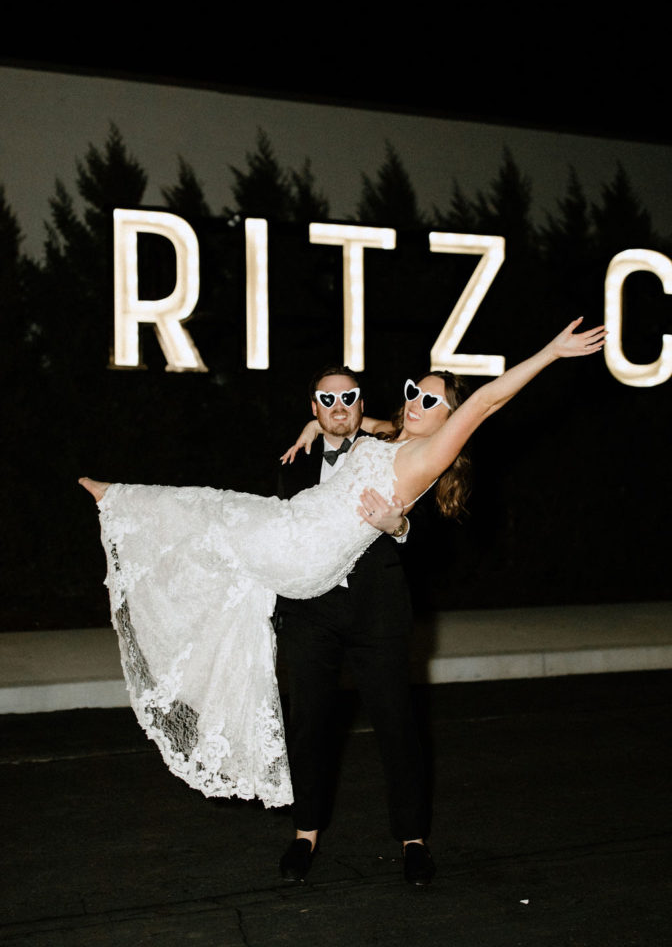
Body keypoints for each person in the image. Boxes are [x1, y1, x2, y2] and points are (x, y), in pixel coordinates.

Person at [80, 318, 604, 868]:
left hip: (318, 564)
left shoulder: (427, 455)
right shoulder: (385, 436)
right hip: (305, 567)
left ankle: (413, 841)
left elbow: (488, 403)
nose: (417, 404)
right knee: (221, 522)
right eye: (412, 393)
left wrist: (551, 351)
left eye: (432, 401)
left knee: (216, 513)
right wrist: (315, 430)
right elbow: (366, 422)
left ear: (450, 419)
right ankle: (305, 834)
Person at [274, 365, 437, 886]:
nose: (339, 405)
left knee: (397, 725)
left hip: (377, 612)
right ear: (313, 406)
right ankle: (305, 834)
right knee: (309, 725)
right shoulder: (293, 465)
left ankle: (414, 840)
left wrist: (402, 524)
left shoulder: (394, 449)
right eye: (327, 398)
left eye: (349, 397)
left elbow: (433, 531)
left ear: (363, 405)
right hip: (311, 612)